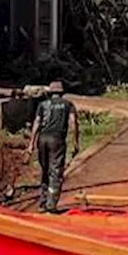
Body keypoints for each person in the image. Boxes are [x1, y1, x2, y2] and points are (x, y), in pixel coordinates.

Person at [26, 81, 78, 212]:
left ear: (50, 93)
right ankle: (51, 204)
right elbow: (73, 123)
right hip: (57, 140)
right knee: (55, 171)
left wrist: (31, 144)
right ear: (62, 93)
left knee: (45, 170)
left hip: (42, 139)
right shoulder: (68, 104)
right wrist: (75, 142)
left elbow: (37, 123)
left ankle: (42, 203)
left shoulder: (42, 105)